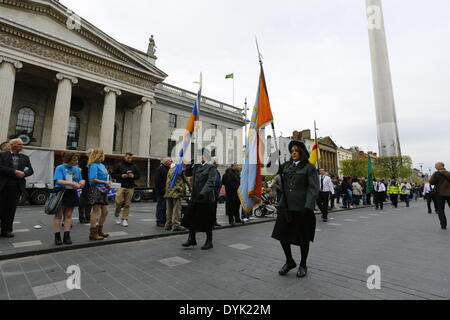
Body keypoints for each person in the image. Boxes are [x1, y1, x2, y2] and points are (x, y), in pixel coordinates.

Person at [272, 139, 319, 278]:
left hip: (302, 208)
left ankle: (303, 264)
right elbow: (271, 168)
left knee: (303, 238)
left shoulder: (309, 168)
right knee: (282, 235)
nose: (293, 153)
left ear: (302, 153)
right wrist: (275, 155)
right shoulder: (286, 166)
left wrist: (308, 206)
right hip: (286, 206)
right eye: (292, 151)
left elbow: (313, 188)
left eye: (296, 151)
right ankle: (289, 261)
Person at [182, 149, 217, 250]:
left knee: (206, 221)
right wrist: (191, 163)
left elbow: (210, 183)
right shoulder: (196, 166)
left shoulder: (211, 168)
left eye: (199, 155)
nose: (197, 157)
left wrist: (203, 193)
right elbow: (187, 173)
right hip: (195, 198)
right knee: (190, 218)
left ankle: (209, 241)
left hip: (206, 199)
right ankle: (191, 239)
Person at [0, 138, 34, 238]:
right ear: (13, 145)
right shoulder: (3, 155)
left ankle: (6, 230)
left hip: (16, 187)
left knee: (11, 209)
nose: (22, 146)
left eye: (22, 144)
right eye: (20, 144)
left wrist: (24, 173)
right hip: (2, 186)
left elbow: (31, 170)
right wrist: (14, 172)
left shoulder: (25, 158)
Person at [53, 153, 85, 245]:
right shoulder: (60, 168)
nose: (76, 161)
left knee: (68, 215)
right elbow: (58, 181)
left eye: (76, 159)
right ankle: (57, 236)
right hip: (61, 191)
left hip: (71, 192)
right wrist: (72, 184)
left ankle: (67, 236)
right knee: (58, 215)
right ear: (68, 159)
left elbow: (80, 179)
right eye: (74, 159)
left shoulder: (77, 169)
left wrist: (82, 182)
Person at [87, 149, 111, 241]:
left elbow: (106, 176)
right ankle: (93, 233)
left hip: (103, 189)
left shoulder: (102, 165)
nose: (104, 156)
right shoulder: (93, 165)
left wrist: (108, 182)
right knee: (96, 211)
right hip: (96, 189)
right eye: (103, 154)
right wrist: (105, 182)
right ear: (99, 155)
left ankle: (100, 230)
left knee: (105, 211)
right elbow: (92, 179)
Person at [112, 153, 140, 227]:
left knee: (127, 204)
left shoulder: (134, 166)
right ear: (125, 157)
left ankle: (124, 219)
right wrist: (121, 175)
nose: (129, 159)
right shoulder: (119, 165)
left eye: (131, 158)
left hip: (130, 186)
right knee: (118, 202)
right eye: (128, 158)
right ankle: (117, 215)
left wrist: (133, 176)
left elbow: (138, 176)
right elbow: (113, 174)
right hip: (121, 185)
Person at [164, 161, 188, 232]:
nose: (185, 166)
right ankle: (176, 225)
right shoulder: (180, 169)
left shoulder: (170, 169)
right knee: (176, 209)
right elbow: (185, 180)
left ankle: (168, 224)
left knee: (169, 209)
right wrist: (188, 188)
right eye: (185, 165)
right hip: (176, 192)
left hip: (168, 192)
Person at [430, 162, 450, 230]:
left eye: (436, 166)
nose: (435, 167)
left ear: (440, 166)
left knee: (440, 210)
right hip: (449, 193)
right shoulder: (448, 173)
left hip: (439, 194)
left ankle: (443, 225)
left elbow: (431, 182)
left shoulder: (436, 174)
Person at [155, 157, 172, 227]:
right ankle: (159, 220)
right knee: (161, 206)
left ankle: (164, 220)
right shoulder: (160, 169)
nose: (171, 162)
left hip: (166, 191)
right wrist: (162, 189)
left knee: (165, 206)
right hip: (162, 191)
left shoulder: (168, 168)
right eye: (170, 161)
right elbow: (157, 181)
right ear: (166, 161)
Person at [78, 155, 92, 224]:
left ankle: (86, 216)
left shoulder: (88, 164)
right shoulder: (85, 164)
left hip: (86, 184)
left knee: (87, 201)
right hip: (86, 184)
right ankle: (84, 216)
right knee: (85, 201)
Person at [212, 159, 222, 228]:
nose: (218, 164)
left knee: (214, 208)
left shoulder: (216, 171)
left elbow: (218, 182)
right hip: (213, 192)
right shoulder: (212, 171)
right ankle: (212, 222)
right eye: (217, 163)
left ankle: (214, 221)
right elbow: (214, 182)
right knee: (212, 208)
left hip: (215, 192)